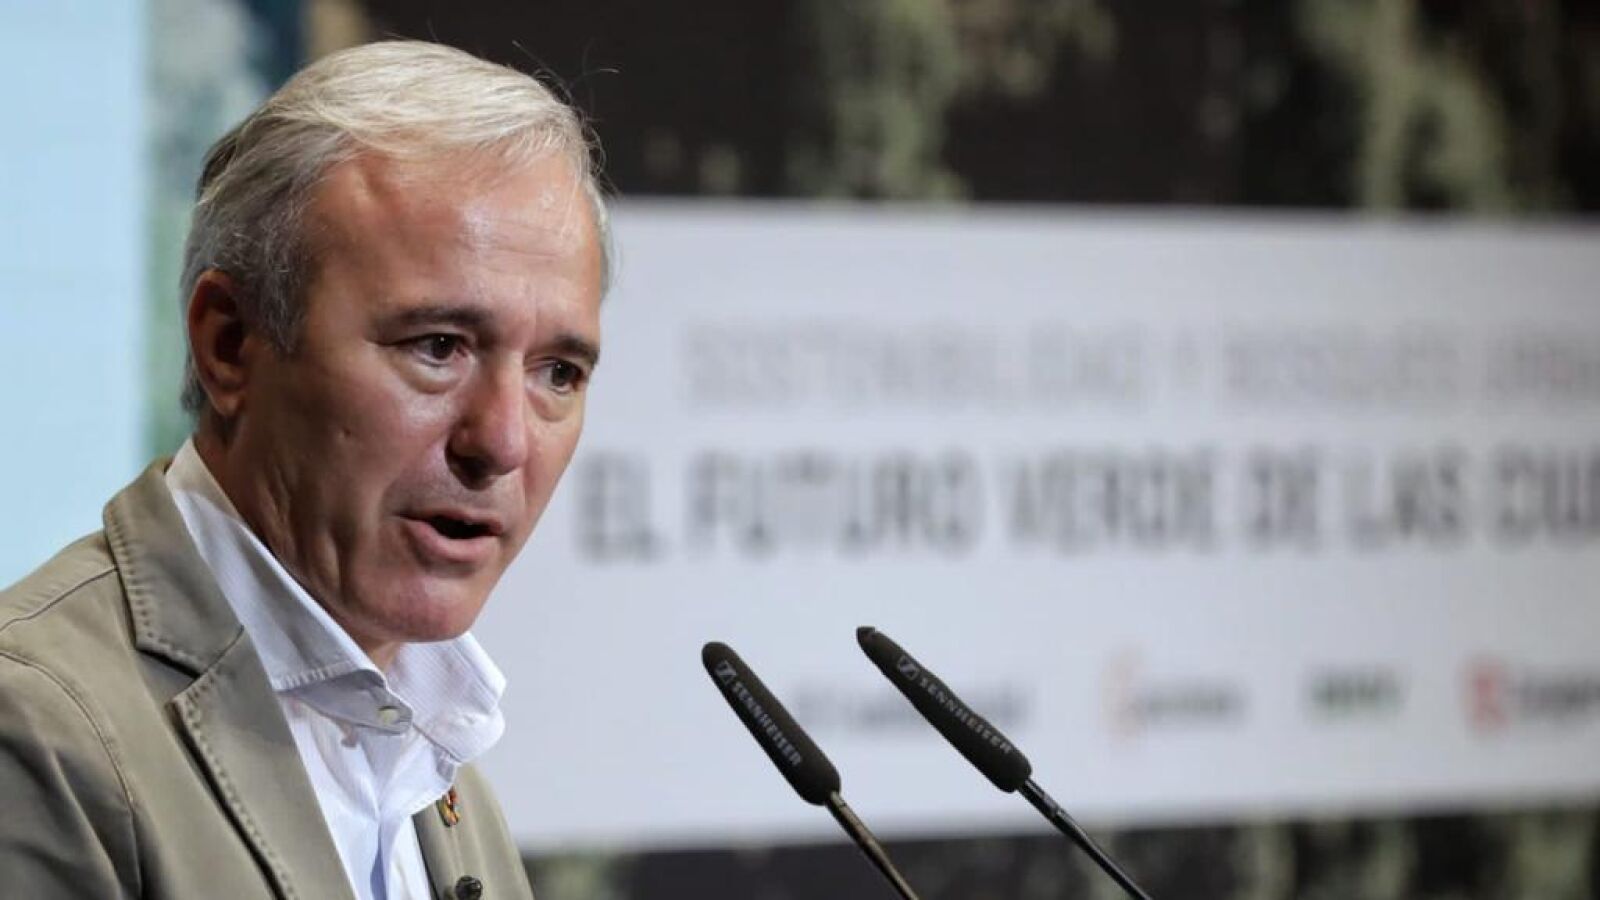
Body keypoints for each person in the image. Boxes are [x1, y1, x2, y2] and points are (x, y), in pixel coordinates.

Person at [0, 40, 606, 899]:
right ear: (229, 344)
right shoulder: (39, 732)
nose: (503, 441)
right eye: (438, 347)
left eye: (559, 373)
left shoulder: (435, 756)